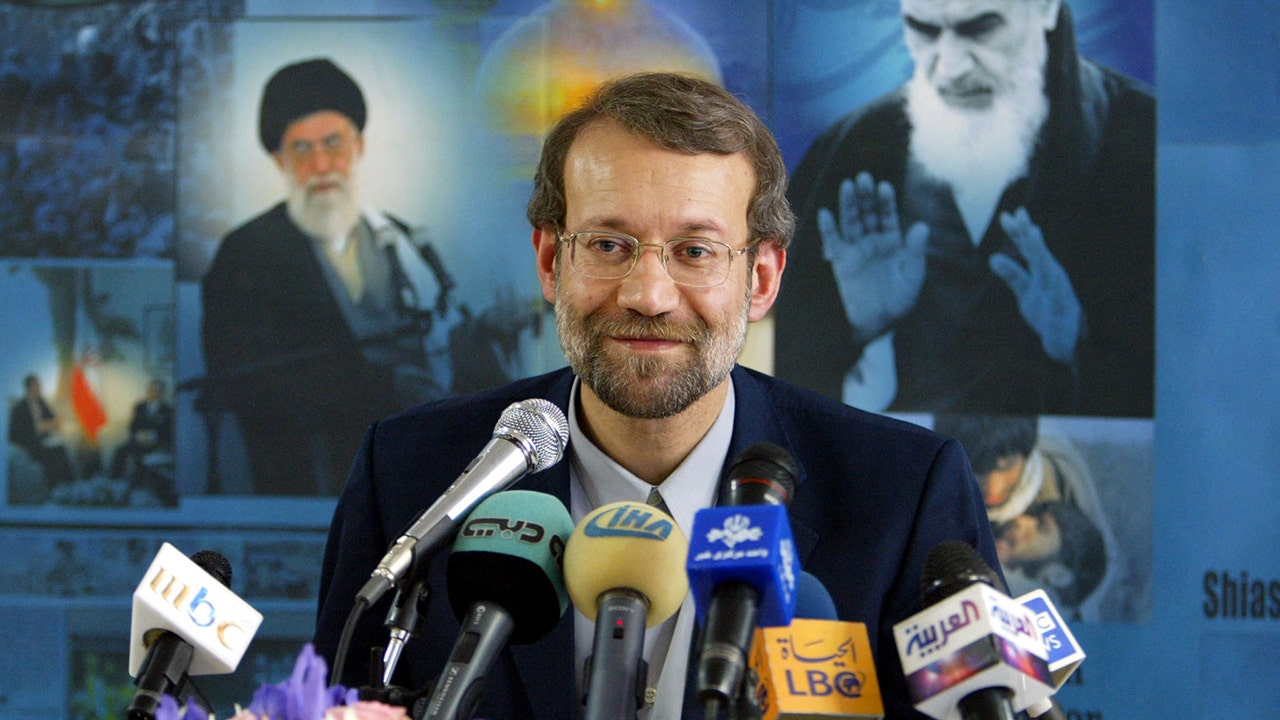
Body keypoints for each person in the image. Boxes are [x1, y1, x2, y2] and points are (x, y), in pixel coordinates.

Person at [314, 72, 1000, 720]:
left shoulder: (904, 493)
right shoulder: (410, 474)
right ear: (551, 262)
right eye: (609, 245)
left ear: (761, 279)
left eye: (695, 251)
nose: (648, 295)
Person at [774, 0, 1154, 417]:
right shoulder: (852, 148)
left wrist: (1076, 340)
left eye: (980, 28)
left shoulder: (1144, 139)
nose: (950, 68)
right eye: (924, 31)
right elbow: (788, 396)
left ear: (1045, 8)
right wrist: (864, 330)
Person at [200, 57, 461, 496]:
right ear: (279, 160)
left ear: (358, 146)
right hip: (306, 478)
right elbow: (250, 381)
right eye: (302, 149)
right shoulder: (244, 254)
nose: (321, 164)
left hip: (408, 470)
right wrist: (386, 387)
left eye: (333, 143)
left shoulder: (400, 240)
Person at [933, 413, 1116, 619]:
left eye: (1007, 466)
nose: (993, 488)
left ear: (1026, 454)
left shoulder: (1057, 474)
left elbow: (1096, 558)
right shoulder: (938, 488)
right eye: (978, 470)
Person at [8, 374, 76, 492]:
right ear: (29, 387)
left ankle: (69, 487)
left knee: (61, 449)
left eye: (40, 385)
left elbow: (53, 418)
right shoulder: (19, 407)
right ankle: (55, 489)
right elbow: (13, 434)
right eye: (37, 385)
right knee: (52, 453)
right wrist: (38, 429)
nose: (40, 388)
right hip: (29, 443)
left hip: (46, 440)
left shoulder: (41, 402)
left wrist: (52, 424)